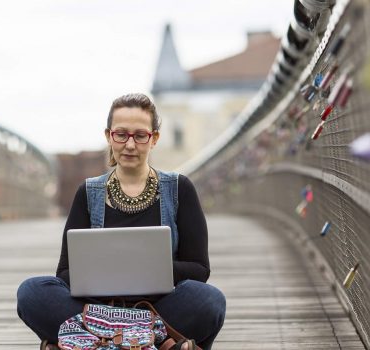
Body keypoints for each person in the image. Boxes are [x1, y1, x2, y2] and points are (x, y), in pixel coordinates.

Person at [17, 93, 226, 350]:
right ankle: (154, 341)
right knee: (31, 292)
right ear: (109, 136)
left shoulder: (179, 189)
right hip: (99, 308)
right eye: (121, 134)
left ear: (154, 138)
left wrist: (148, 268)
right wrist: (104, 273)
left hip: (160, 308)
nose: (130, 144)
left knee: (209, 301)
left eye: (140, 135)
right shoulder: (89, 192)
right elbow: (64, 272)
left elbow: (199, 269)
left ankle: (91, 340)